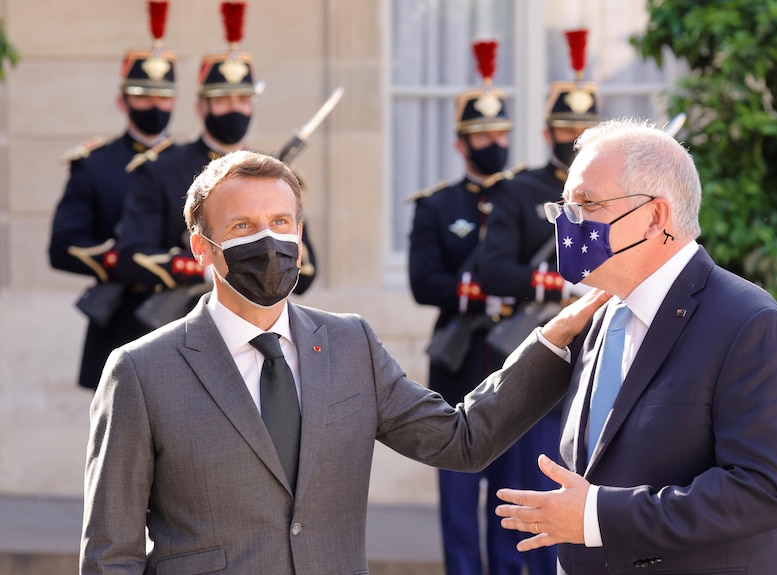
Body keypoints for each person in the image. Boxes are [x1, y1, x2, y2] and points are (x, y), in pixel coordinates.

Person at [79, 149, 611, 574]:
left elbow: (461, 440)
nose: (268, 240)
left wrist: (553, 340)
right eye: (242, 227)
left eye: (281, 221)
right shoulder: (141, 371)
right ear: (202, 248)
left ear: (301, 236)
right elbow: (111, 555)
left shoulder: (349, 344)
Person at [494, 118, 777, 574]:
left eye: (587, 203)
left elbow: (764, 490)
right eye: (564, 206)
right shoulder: (601, 316)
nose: (568, 222)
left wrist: (597, 515)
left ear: (656, 217)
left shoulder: (750, 323)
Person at [408, 39, 533, 575]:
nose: (493, 143)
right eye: (482, 135)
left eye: (501, 133)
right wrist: (477, 291)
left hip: (515, 366)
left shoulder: (529, 199)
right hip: (460, 365)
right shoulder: (439, 206)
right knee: (460, 508)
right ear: (462, 143)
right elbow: (423, 281)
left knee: (512, 505)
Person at [114, 1, 316, 330]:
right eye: (222, 100)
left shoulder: (273, 175)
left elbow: (306, 272)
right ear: (200, 106)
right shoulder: (162, 168)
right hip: (176, 325)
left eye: (242, 100)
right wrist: (205, 266)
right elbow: (132, 256)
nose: (233, 109)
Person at [478, 28, 599, 574]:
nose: (574, 137)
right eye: (566, 127)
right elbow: (492, 268)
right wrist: (556, 284)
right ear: (549, 131)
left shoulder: (614, 194)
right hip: (541, 350)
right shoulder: (521, 190)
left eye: (584, 129)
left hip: (595, 355)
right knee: (524, 493)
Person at [48, 1, 176, 390]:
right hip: (120, 316)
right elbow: (64, 246)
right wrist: (128, 263)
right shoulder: (95, 164)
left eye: (163, 96)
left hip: (181, 314)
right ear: (122, 100)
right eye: (142, 95)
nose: (154, 105)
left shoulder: (191, 162)